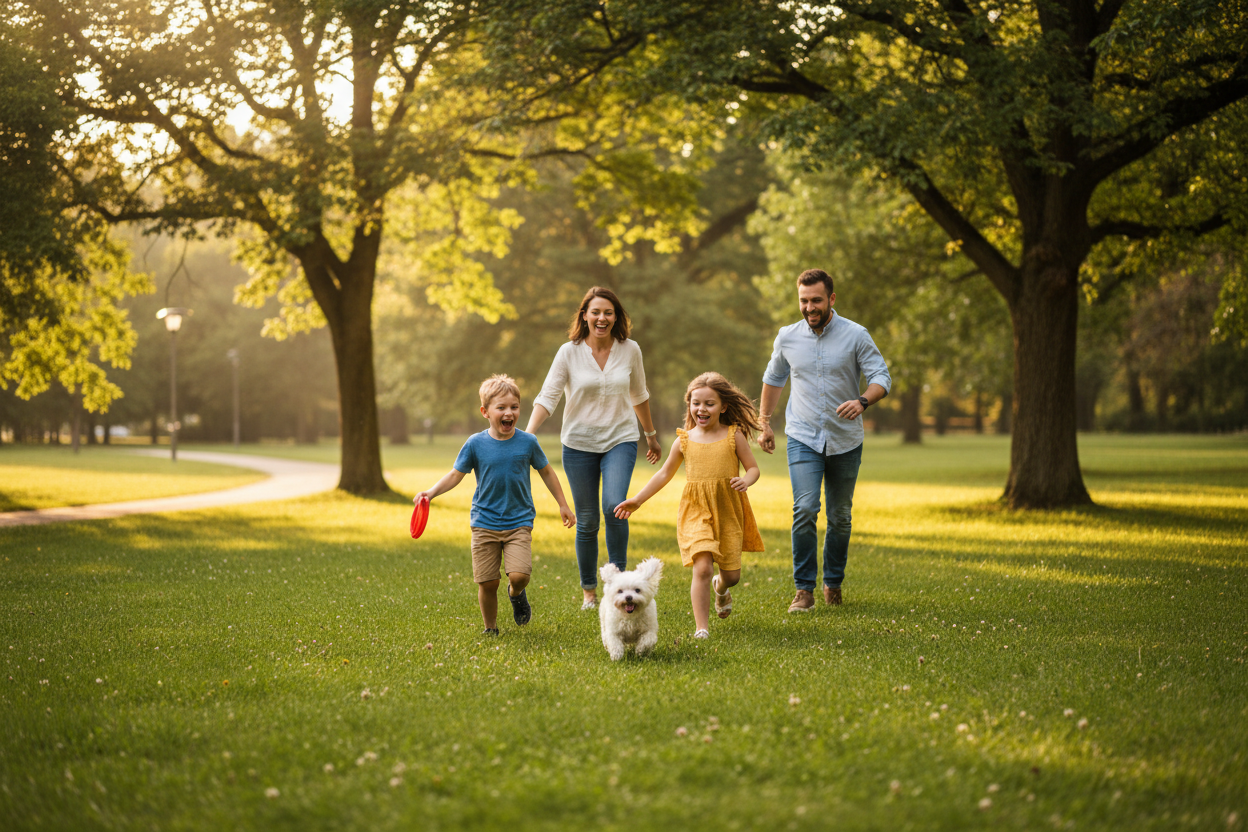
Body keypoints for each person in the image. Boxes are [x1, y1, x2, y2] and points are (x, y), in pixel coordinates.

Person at [759, 268, 891, 613]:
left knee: (840, 515)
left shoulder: (856, 335)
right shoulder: (787, 337)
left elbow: (881, 377)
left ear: (831, 299)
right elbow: (774, 379)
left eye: (816, 300)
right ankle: (804, 590)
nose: (809, 307)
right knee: (804, 509)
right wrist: (765, 423)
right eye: (804, 300)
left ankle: (833, 582)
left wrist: (863, 401)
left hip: (845, 438)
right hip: (802, 436)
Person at [527, 287, 662, 610]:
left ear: (616, 317)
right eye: (596, 312)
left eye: (609, 312)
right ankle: (590, 591)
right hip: (578, 444)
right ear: (584, 316)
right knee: (587, 521)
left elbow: (639, 394)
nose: (602, 318)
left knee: (616, 506)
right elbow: (548, 396)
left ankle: (619, 587)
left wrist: (651, 434)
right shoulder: (568, 352)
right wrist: (528, 435)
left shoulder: (630, 350)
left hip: (620, 438)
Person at [415, 374, 575, 635]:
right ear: (485, 412)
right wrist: (430, 493)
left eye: (514, 407)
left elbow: (546, 472)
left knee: (519, 575)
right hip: (484, 522)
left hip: (518, 522)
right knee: (487, 581)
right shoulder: (475, 444)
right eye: (501, 407)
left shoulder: (528, 442)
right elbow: (456, 474)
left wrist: (563, 504)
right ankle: (490, 629)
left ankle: (516, 593)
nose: (508, 413)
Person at [615, 372, 763, 639]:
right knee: (703, 567)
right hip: (696, 509)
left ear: (723, 407)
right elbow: (664, 474)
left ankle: (721, 588)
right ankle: (701, 628)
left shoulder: (734, 435)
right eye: (696, 403)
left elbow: (753, 468)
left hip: (728, 508)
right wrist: (637, 499)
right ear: (689, 405)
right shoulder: (684, 440)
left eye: (709, 403)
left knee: (732, 575)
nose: (701, 409)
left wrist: (746, 480)